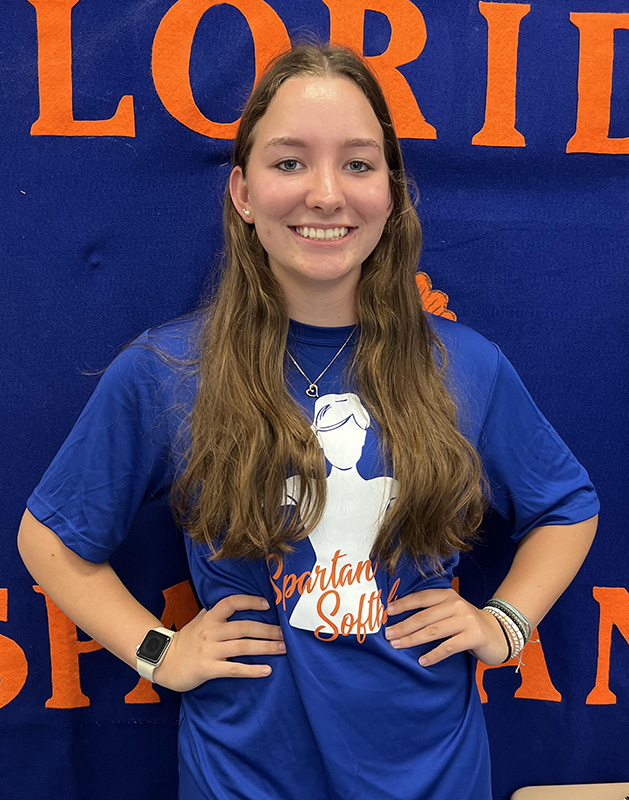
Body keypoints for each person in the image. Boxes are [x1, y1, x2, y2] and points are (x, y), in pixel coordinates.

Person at [18, 44, 599, 800]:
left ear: (389, 194)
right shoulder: (169, 371)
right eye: (289, 163)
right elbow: (51, 539)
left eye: (358, 165)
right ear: (243, 193)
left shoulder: (465, 366)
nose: (326, 194)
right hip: (243, 778)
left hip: (432, 775)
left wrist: (505, 625)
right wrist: (158, 651)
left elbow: (566, 507)